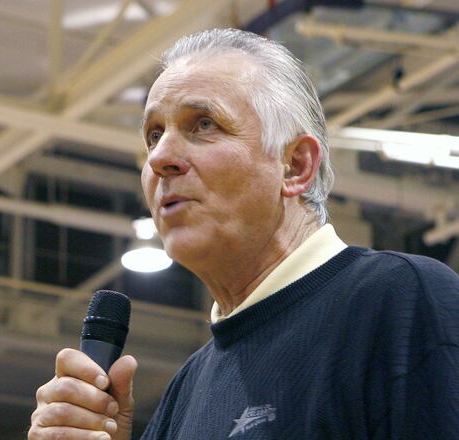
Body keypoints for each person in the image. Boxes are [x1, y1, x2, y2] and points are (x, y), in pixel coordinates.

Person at [28, 28, 459, 440]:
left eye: (203, 124)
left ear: (295, 167)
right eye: (154, 135)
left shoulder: (403, 300)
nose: (161, 157)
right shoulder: (185, 391)